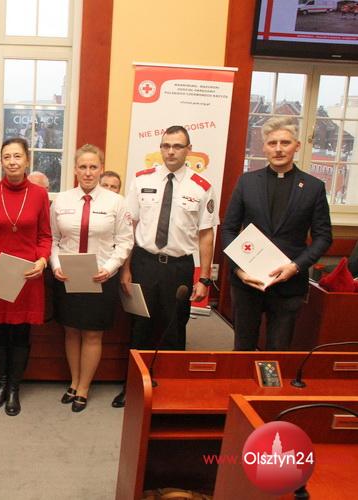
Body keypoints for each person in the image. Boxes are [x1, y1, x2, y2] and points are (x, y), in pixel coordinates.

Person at [115, 125, 218, 407]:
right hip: (144, 263)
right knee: (140, 327)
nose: (170, 151)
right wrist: (126, 269)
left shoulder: (202, 187)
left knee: (174, 328)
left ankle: (172, 389)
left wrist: (205, 278)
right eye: (166, 146)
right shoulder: (141, 179)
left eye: (177, 146)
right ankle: (133, 388)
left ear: (188, 150)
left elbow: (206, 234)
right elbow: (129, 226)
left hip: (178, 268)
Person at [221, 117, 332, 351]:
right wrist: (239, 270)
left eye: (285, 143)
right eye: (272, 143)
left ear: (297, 146)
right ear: (264, 147)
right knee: (242, 349)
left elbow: (323, 237)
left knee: (278, 351)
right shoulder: (247, 182)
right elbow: (229, 229)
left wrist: (296, 266)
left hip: (289, 285)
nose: (278, 149)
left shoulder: (313, 187)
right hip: (247, 283)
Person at [50, 144, 133, 412]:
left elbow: (125, 241)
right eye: (83, 167)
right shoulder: (61, 200)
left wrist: (110, 268)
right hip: (68, 275)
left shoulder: (116, 202)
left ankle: (84, 387)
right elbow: (52, 239)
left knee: (93, 334)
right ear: (75, 169)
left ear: (101, 169)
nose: (88, 172)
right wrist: (55, 265)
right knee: (71, 330)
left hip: (101, 276)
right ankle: (74, 382)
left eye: (93, 167)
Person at [0, 137, 52, 416]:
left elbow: (45, 236)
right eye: (7, 157)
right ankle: (1, 384)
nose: (12, 162)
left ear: (27, 160)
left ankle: (14, 388)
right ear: (1, 161)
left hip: (28, 276)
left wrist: (42, 260)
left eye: (17, 156)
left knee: (20, 333)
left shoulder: (39, 194)